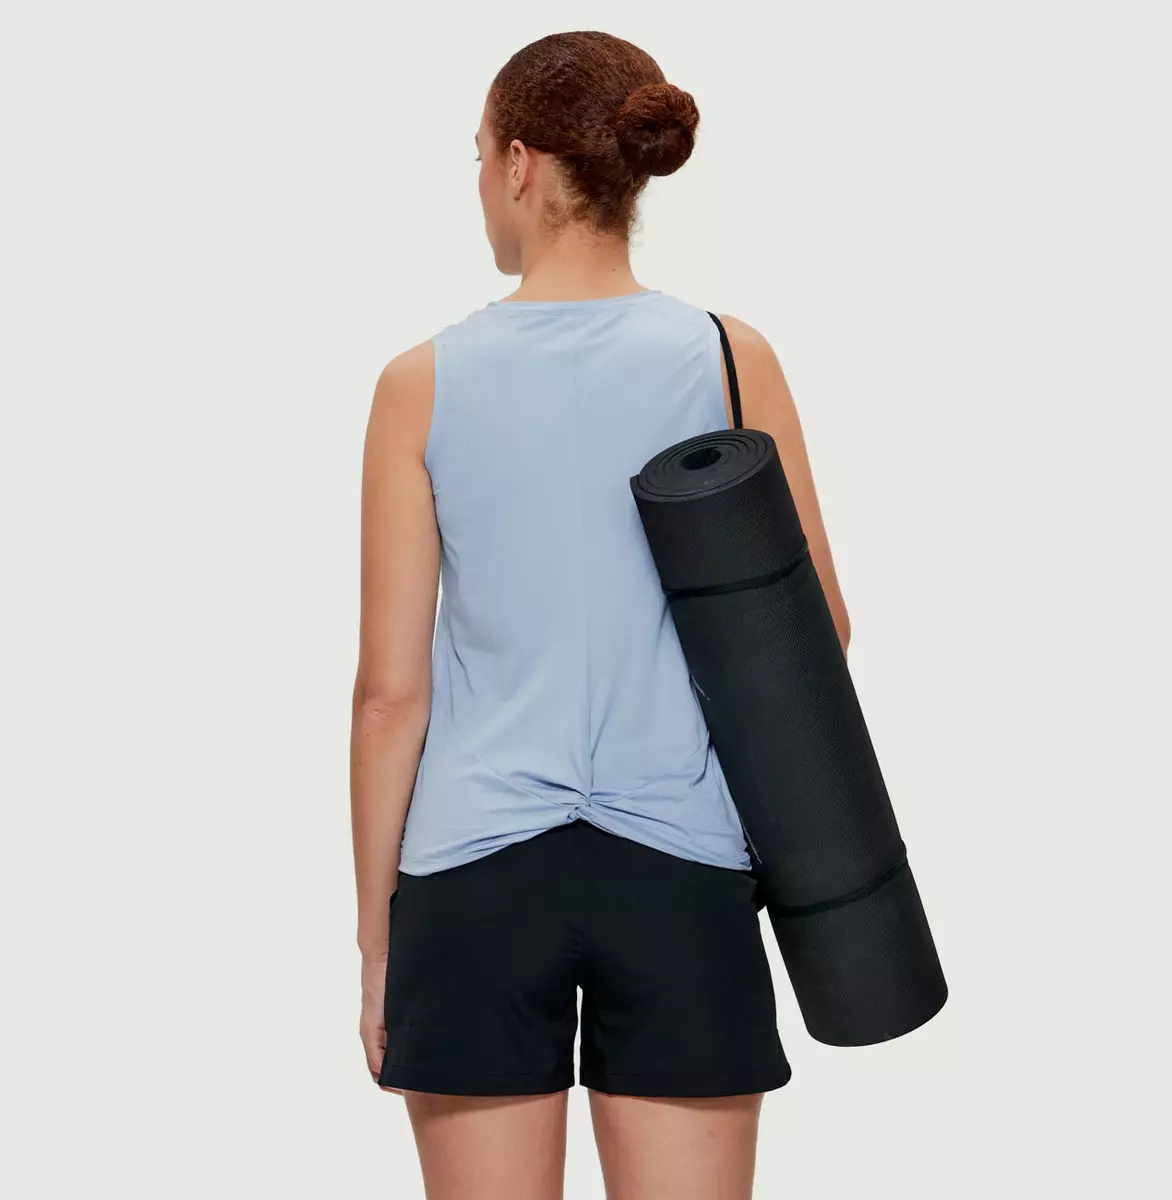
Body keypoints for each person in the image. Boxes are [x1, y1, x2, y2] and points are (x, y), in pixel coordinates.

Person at [350, 29, 852, 1200]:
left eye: (480, 154)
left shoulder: (420, 383)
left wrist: (378, 943)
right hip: (680, 865)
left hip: (474, 873)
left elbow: (389, 698)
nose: (481, 181)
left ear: (521, 165)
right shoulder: (729, 357)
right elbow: (816, 630)